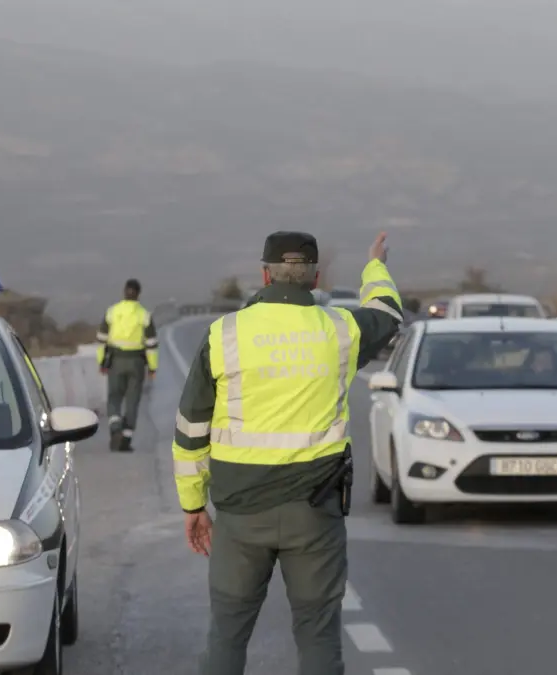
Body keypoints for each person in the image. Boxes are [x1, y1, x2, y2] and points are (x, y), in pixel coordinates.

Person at [171, 231, 402, 675]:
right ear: (314, 277)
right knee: (318, 634)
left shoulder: (224, 334)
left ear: (265, 274)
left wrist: (193, 504)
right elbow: (388, 314)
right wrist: (376, 264)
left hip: (240, 515)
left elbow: (191, 428)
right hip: (314, 513)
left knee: (227, 635)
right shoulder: (340, 331)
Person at [96, 278, 158, 452]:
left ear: (124, 292)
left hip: (116, 361)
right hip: (136, 363)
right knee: (133, 400)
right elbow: (151, 344)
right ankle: (126, 440)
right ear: (138, 294)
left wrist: (102, 361)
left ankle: (115, 428)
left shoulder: (112, 312)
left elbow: (101, 339)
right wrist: (152, 367)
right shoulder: (144, 315)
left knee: (114, 397)